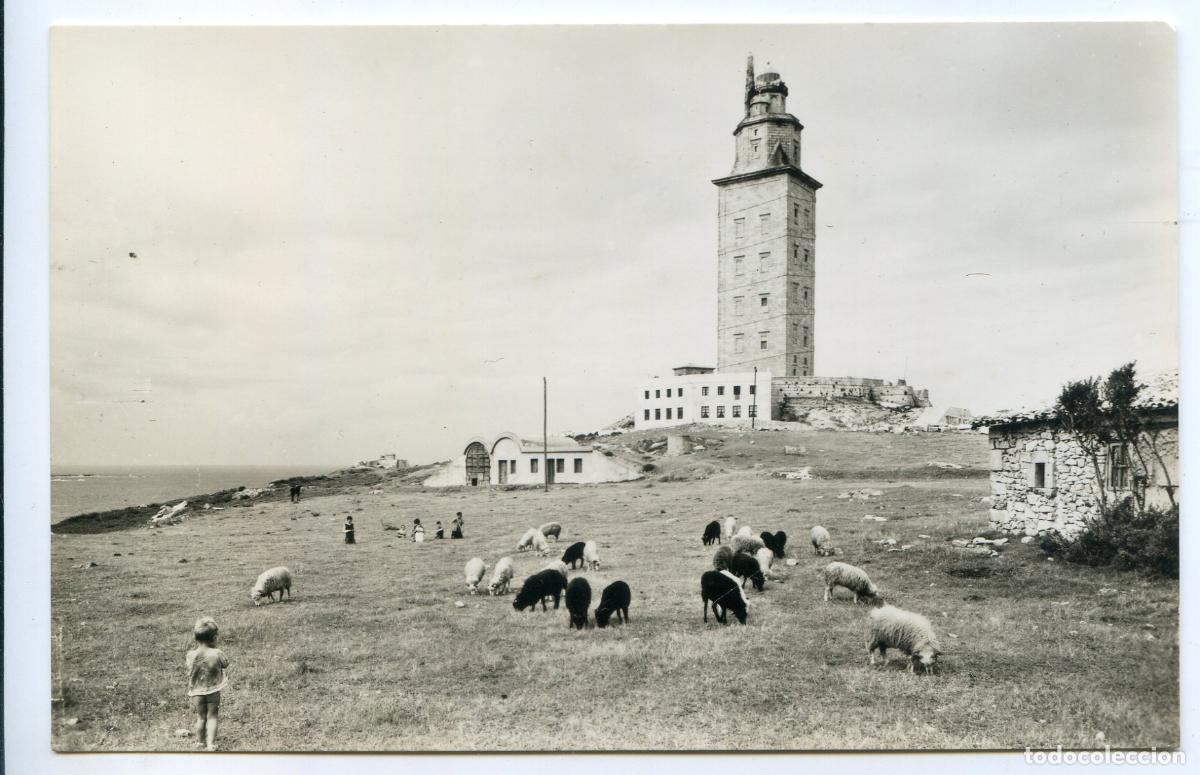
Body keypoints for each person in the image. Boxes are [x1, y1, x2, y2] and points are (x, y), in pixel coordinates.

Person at [186, 616, 229, 752]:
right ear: (214, 638)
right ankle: (211, 744)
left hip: (196, 691)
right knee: (212, 717)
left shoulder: (191, 655)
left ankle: (200, 742)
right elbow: (225, 664)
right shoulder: (217, 653)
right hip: (213, 690)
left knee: (200, 717)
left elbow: (189, 668)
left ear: (196, 638)